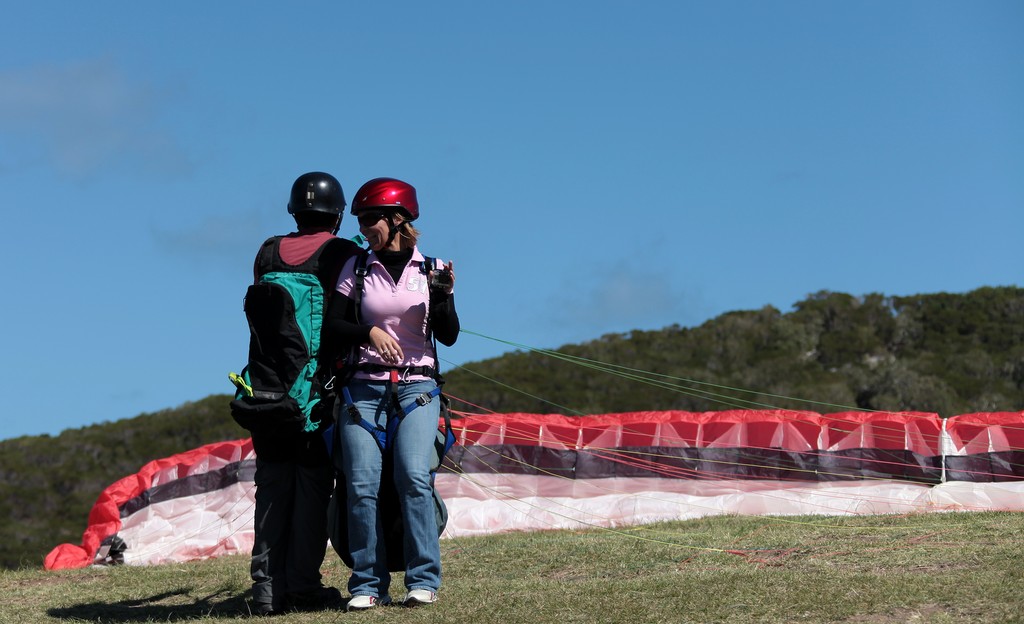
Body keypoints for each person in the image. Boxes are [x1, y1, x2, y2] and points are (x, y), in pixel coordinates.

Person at [327, 177, 460, 611]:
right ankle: (367, 583)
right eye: (361, 220)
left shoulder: (430, 269)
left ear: (398, 218)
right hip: (361, 390)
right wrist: (369, 331)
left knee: (413, 477)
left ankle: (423, 579)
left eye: (370, 220)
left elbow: (449, 336)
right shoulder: (358, 268)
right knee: (361, 485)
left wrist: (443, 298)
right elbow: (333, 327)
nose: (363, 228)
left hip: (416, 388)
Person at [245, 172, 361, 615]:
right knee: (313, 487)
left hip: (265, 390)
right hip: (316, 394)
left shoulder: (267, 251)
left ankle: (265, 589)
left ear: (294, 209)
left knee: (272, 486)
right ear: (338, 213)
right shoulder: (342, 253)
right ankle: (302, 588)